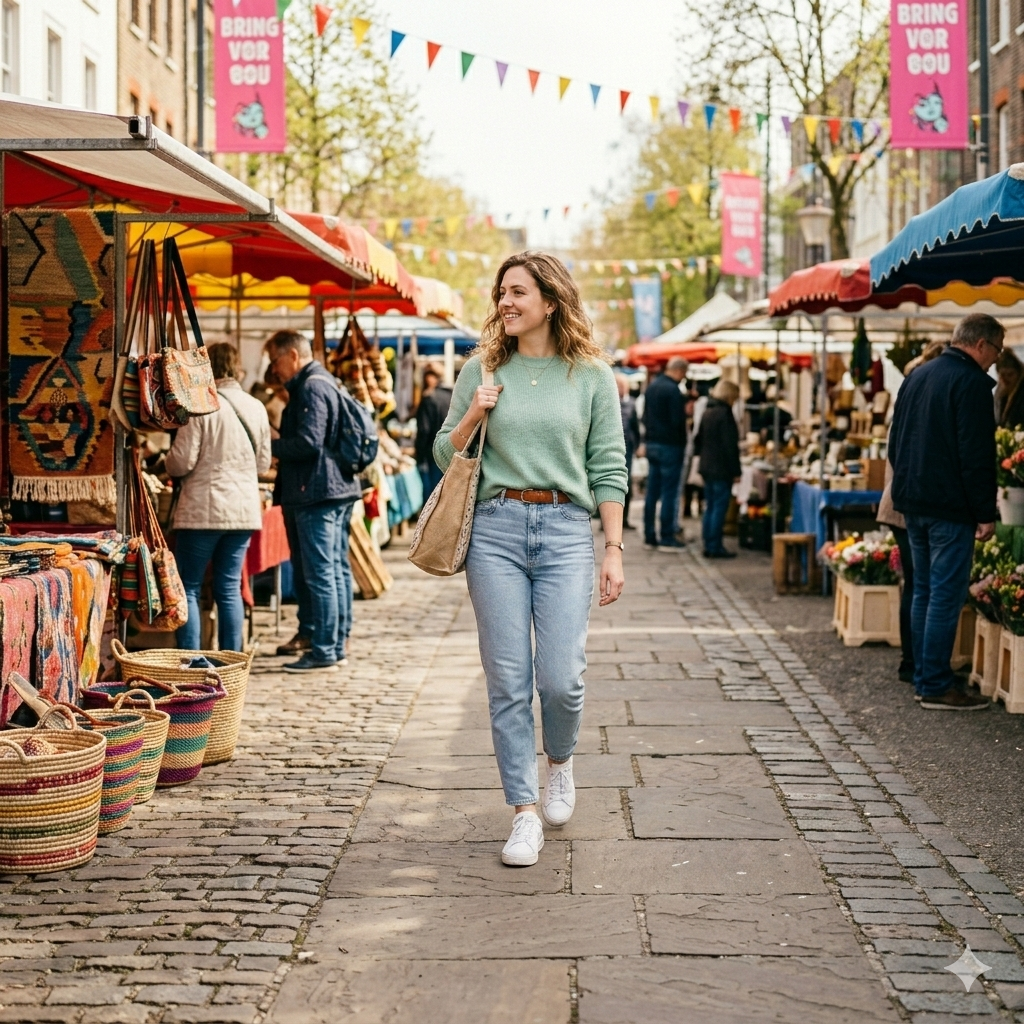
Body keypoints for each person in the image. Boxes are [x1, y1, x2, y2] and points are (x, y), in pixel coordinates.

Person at [434, 251, 627, 868]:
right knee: (508, 678)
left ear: (551, 300)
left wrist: (613, 549)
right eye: (501, 293)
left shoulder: (592, 376)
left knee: (561, 678)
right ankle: (522, 812)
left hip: (568, 531)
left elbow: (609, 468)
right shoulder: (482, 369)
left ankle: (560, 764)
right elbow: (444, 453)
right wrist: (474, 411)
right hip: (494, 530)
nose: (505, 303)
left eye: (517, 292)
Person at [889, 313, 1001, 710]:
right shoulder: (971, 383)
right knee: (944, 595)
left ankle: (925, 676)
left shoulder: (918, 375)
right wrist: (984, 511)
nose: (995, 361)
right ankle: (935, 683)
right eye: (997, 351)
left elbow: (895, 440)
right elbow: (976, 455)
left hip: (914, 499)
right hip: (947, 504)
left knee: (923, 589)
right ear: (981, 344)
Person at [265, 330, 361, 674]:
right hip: (331, 488)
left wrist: (269, 447)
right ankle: (334, 643)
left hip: (317, 490)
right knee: (333, 569)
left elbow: (308, 441)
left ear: (291, 355)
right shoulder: (324, 381)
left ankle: (325, 649)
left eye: (275, 360)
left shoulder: (311, 386)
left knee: (324, 572)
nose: (273, 369)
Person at [166, 343, 272, 652]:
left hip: (203, 510)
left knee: (190, 587)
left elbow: (181, 461)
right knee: (229, 588)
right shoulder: (256, 406)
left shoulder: (202, 404)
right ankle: (232, 661)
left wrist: (166, 464)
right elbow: (263, 464)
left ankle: (191, 662)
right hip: (243, 511)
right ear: (237, 367)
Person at [877, 341, 946, 685]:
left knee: (918, 585)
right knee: (921, 584)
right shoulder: (924, 403)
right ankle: (917, 662)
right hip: (908, 504)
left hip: (901, 502)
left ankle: (914, 661)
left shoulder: (910, 398)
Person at [641, 356, 688, 550]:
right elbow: (677, 421)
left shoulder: (652, 387)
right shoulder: (673, 390)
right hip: (670, 446)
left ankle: (649, 534)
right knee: (669, 492)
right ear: (679, 371)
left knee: (652, 491)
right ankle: (667, 535)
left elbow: (644, 416)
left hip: (652, 444)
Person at [693, 378, 741, 559]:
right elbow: (730, 446)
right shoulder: (725, 414)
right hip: (721, 467)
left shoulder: (708, 411)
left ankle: (708, 542)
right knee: (719, 507)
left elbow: (698, 439)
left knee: (710, 506)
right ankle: (714, 546)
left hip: (707, 465)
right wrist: (736, 471)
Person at [414, 362, 452, 497]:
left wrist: (419, 453)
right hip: (453, 452)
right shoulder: (452, 395)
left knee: (432, 497)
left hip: (433, 454)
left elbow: (424, 430)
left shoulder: (429, 398)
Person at [616, 373, 641, 529]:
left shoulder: (631, 403)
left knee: (626, 484)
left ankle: (623, 520)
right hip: (613, 449)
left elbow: (635, 427)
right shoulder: (607, 401)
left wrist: (638, 445)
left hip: (628, 450)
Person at [995, 348, 1024, 427]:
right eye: (1002, 375)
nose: (1005, 379)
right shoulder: (1001, 391)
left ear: (1018, 374)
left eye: (1010, 375)